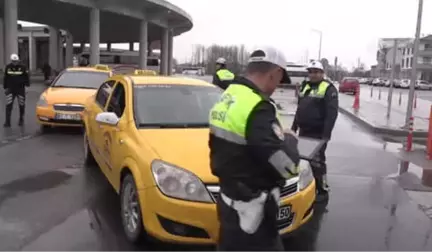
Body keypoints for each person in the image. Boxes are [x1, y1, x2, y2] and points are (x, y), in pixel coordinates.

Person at [209, 46, 299, 252]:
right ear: (274, 73)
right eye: (279, 79)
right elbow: (286, 167)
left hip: (229, 200)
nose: (278, 85)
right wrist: (289, 139)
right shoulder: (258, 107)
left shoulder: (230, 95)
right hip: (253, 214)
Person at [291, 60, 338, 201]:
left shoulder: (329, 89)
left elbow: (331, 114)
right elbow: (300, 108)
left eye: (316, 72)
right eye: (311, 72)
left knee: (317, 163)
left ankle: (322, 190)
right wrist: (294, 126)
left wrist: (326, 135)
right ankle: (307, 187)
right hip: (304, 131)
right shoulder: (305, 87)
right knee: (304, 161)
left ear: (322, 73)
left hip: (318, 133)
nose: (313, 75)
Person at [3, 54, 30, 127]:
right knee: (8, 106)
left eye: (16, 61)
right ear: (11, 61)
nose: (15, 62)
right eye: (13, 61)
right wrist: (5, 88)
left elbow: (26, 78)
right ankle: (7, 122)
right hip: (10, 89)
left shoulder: (23, 67)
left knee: (21, 105)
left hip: (20, 89)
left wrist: (27, 87)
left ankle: (21, 119)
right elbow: (5, 78)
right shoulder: (8, 67)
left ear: (18, 60)